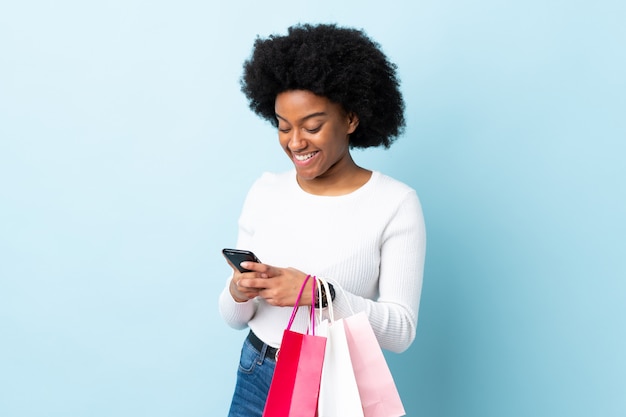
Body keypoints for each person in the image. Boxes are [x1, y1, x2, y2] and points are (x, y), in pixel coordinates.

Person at [218, 23, 426, 417]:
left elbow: (401, 331)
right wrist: (238, 291)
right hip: (256, 371)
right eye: (283, 126)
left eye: (312, 126)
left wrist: (320, 294)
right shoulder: (265, 190)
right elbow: (233, 319)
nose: (295, 142)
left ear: (350, 118)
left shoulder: (395, 203)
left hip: (333, 381)